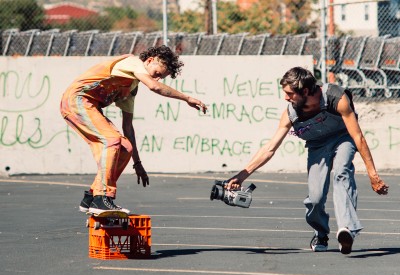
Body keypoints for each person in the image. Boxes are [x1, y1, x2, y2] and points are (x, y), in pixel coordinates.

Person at [226, 67, 389, 255]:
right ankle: (321, 233)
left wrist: (373, 175)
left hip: (343, 137)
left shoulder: (336, 97)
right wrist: (241, 176)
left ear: (304, 91)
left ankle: (347, 230)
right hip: (317, 144)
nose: (286, 98)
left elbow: (358, 137)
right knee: (316, 197)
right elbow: (270, 148)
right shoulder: (291, 113)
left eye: (289, 94)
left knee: (341, 171)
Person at [60, 45, 208, 214]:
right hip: (76, 100)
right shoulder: (132, 62)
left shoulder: (130, 88)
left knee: (125, 147)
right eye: (158, 73)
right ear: (150, 60)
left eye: (162, 77)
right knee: (111, 140)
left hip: (89, 106)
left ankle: (92, 197)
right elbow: (154, 87)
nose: (158, 79)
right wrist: (187, 98)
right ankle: (102, 198)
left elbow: (128, 127)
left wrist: (137, 163)